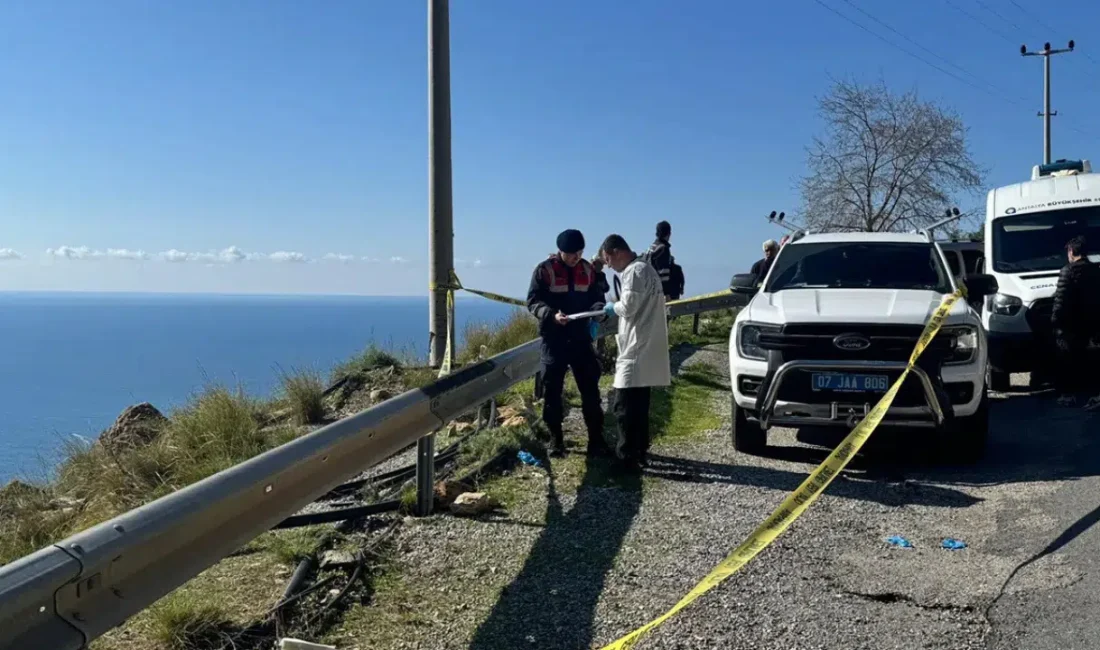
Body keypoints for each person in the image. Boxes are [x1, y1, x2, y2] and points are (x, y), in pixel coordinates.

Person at [527, 229, 610, 457]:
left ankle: (596, 440)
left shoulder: (588, 270)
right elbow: (532, 302)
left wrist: (599, 312)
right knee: (552, 391)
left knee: (590, 390)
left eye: (580, 252)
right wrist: (551, 315)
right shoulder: (544, 270)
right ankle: (556, 441)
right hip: (554, 340)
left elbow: (597, 298)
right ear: (561, 251)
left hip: (581, 339)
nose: (576, 257)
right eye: (572, 253)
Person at [601, 234, 671, 469]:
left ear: (616, 252)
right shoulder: (646, 269)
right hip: (646, 344)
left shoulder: (634, 271)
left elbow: (629, 306)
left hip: (637, 346)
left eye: (608, 260)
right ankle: (639, 450)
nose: (609, 265)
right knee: (639, 406)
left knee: (624, 406)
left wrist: (612, 307)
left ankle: (626, 457)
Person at [1051, 236, 1100, 406]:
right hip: (1093, 323)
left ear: (1071, 251)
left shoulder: (1067, 271)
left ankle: (1068, 395)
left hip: (1071, 324)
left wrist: (1055, 321)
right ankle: (1095, 395)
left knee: (1067, 359)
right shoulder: (1096, 270)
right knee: (1094, 360)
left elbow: (1061, 299)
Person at [644, 221, 676, 299]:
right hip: (656, 293)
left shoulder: (650, 248)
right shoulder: (663, 249)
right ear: (669, 234)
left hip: (646, 289)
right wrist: (666, 294)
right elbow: (663, 273)